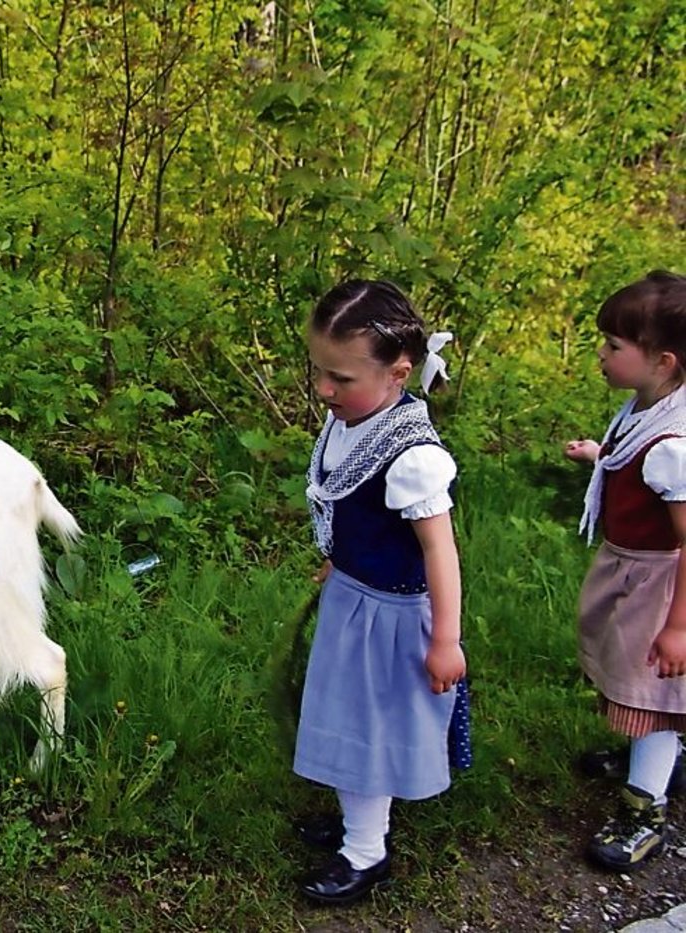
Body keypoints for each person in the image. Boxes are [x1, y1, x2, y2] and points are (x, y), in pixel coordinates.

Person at [296, 279, 469, 905]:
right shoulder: (353, 419)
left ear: (399, 372)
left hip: (393, 616)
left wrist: (445, 639)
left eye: (340, 378)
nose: (324, 390)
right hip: (354, 597)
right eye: (320, 372)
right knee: (342, 718)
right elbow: (347, 503)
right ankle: (355, 827)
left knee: (367, 730)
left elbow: (438, 549)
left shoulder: (412, 457)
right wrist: (337, 561)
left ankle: (365, 853)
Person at [564, 270, 686, 871]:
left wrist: (679, 626)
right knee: (630, 678)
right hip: (629, 570)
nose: (602, 355)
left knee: (654, 695)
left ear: (663, 361)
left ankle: (646, 808)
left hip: (660, 584)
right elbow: (630, 458)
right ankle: (655, 756)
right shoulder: (646, 409)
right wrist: (600, 458)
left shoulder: (672, 445)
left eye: (614, 346)